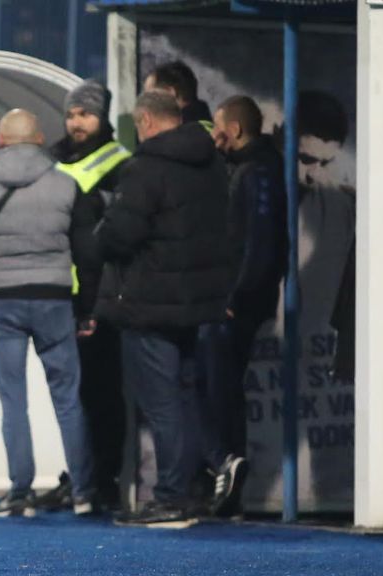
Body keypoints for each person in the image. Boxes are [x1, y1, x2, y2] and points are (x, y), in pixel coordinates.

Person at [0, 108, 97, 518]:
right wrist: (85, 306)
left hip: (2, 301)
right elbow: (89, 253)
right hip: (55, 300)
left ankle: (20, 492)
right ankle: (84, 492)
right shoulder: (66, 185)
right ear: (40, 139)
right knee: (68, 398)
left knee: (13, 400)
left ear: (1, 140)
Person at [95, 92, 234, 525]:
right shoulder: (212, 163)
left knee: (162, 403)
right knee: (185, 395)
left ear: (146, 122)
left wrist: (100, 233)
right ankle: (189, 489)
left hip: (149, 301)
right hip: (195, 301)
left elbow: (120, 235)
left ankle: (172, 495)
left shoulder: (145, 167)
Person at [201, 95, 287, 516]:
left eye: (219, 127)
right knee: (221, 387)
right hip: (234, 299)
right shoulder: (248, 168)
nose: (214, 136)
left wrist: (237, 298)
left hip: (234, 303)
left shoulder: (257, 172)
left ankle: (225, 463)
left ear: (233, 130)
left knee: (215, 386)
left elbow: (261, 245)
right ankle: (226, 472)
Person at [49, 80, 132, 512]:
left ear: (102, 117)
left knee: (101, 394)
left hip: (99, 296)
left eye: (85, 114)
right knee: (71, 395)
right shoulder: (54, 161)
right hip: (59, 292)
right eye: (71, 114)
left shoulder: (120, 164)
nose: (76, 122)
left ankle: (105, 479)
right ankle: (79, 475)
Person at [144, 61, 213, 129]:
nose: (146, 105)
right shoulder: (211, 129)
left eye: (150, 96)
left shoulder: (180, 133)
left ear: (169, 93)